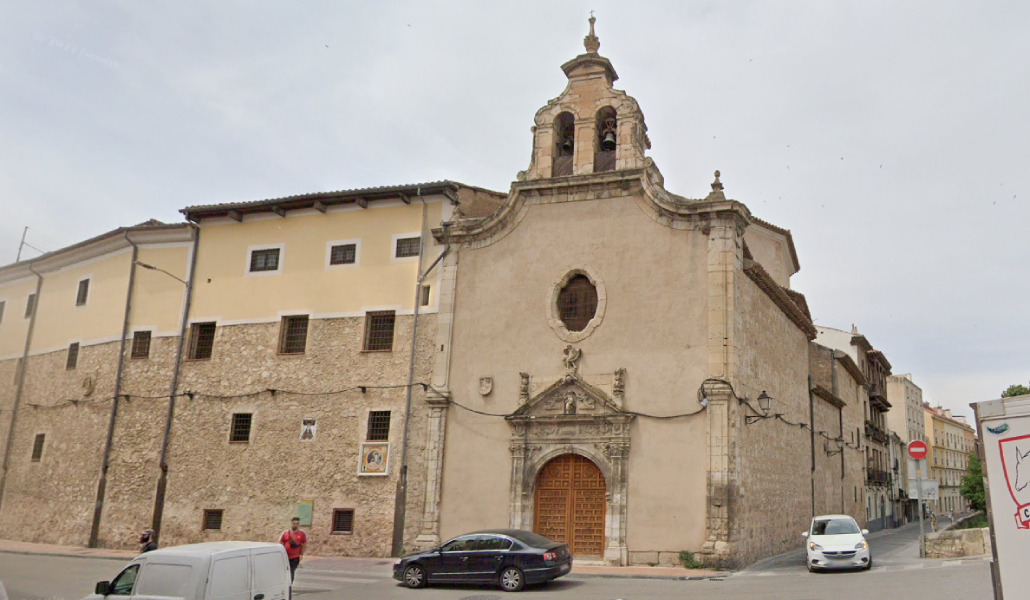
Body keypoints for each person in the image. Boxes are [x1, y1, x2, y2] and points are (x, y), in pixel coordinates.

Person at [279, 518, 307, 583]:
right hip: (286, 556)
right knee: (285, 571)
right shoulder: (285, 533)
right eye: (294, 523)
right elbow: (280, 542)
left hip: (295, 557)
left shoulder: (302, 534)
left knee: (291, 570)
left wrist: (301, 554)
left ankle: (289, 585)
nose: (295, 525)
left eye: (297, 523)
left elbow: (304, 544)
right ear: (291, 524)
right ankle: (285, 584)